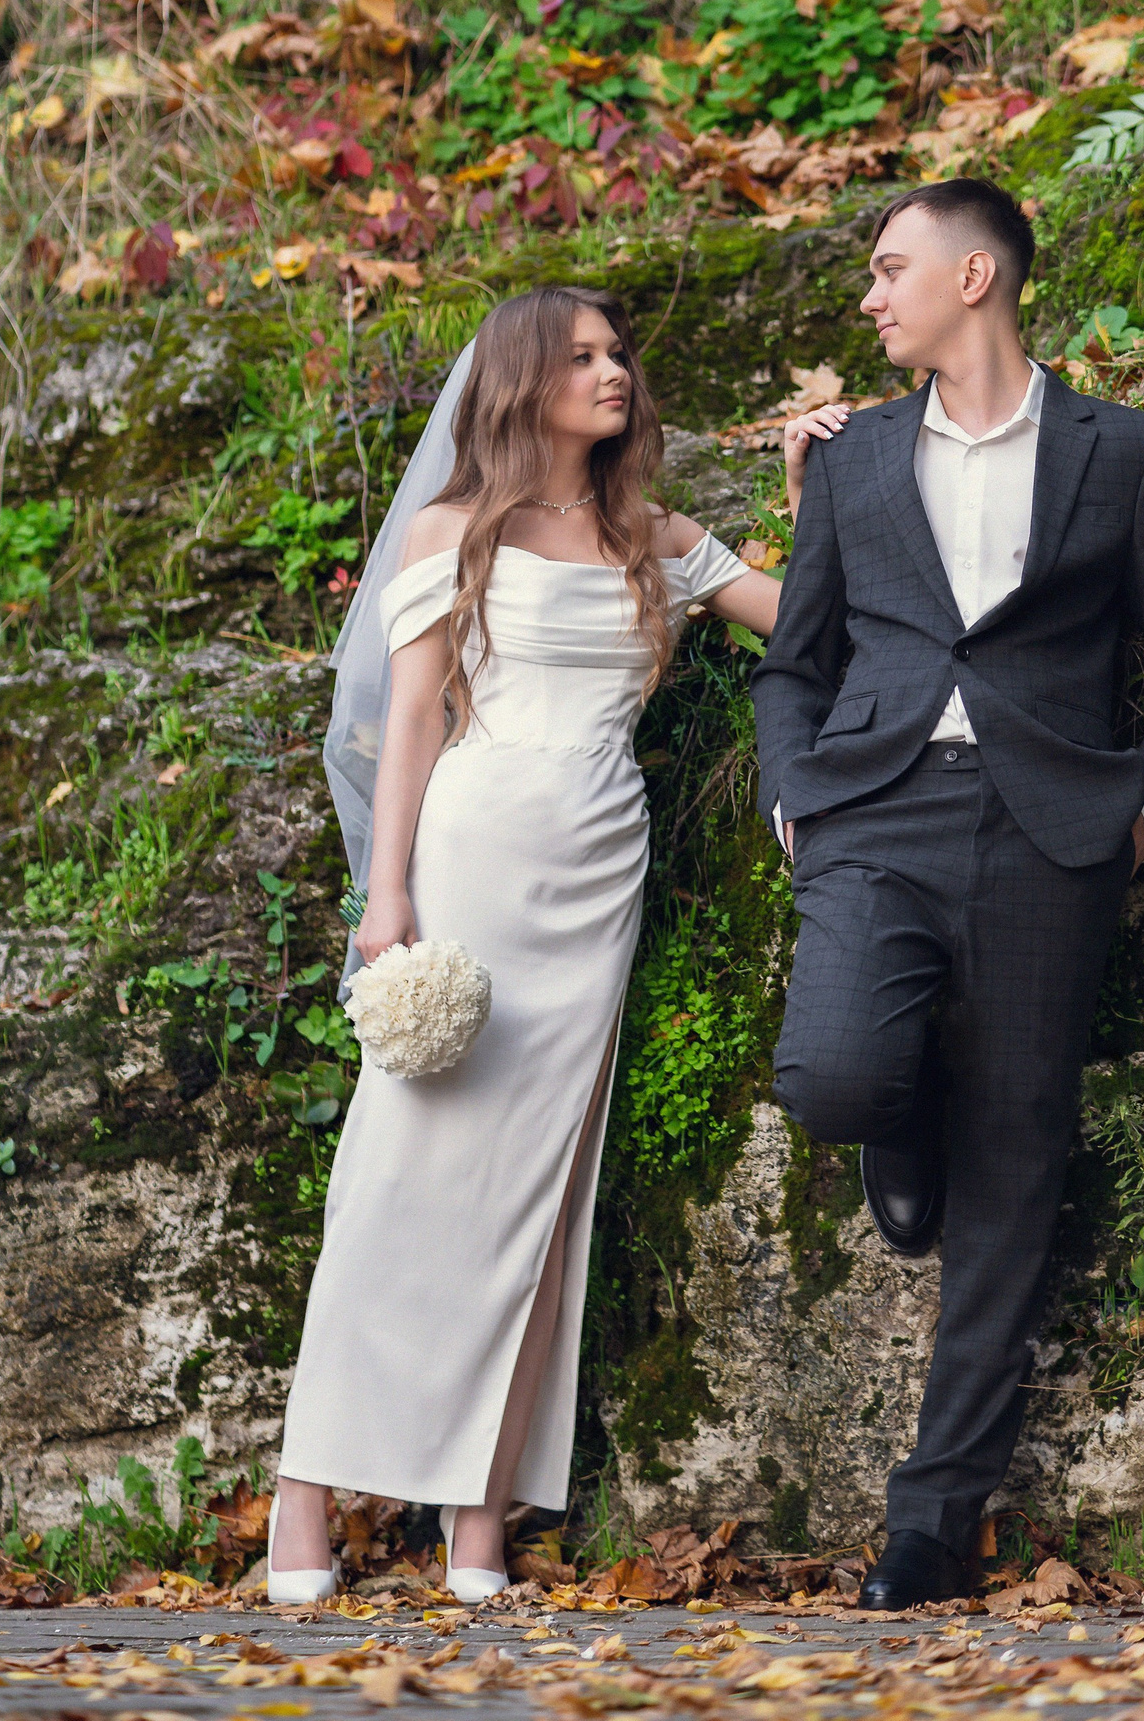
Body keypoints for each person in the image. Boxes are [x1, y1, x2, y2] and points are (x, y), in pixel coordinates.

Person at [268, 283, 842, 1603]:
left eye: (616, 353)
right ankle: (306, 1495)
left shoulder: (655, 537)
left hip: (597, 874)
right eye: (580, 356)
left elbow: (811, 626)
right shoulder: (451, 530)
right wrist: (386, 897)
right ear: (521, 381)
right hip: (470, 861)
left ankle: (478, 1519)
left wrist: (808, 502)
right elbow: (410, 722)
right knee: (395, 1181)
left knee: (543, 1200)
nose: (611, 371)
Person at [753, 177, 1144, 1610]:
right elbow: (795, 662)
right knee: (833, 1075)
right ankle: (896, 1119)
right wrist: (794, 802)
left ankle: (934, 1521)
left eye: (888, 268)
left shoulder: (1123, 451)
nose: (869, 297)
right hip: (873, 810)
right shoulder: (853, 458)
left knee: (1018, 1165)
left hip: (1053, 829)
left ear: (976, 277)